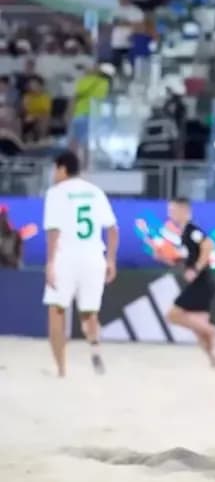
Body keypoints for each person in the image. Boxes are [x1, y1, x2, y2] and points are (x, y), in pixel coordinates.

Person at [42, 150, 118, 377]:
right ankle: (95, 349)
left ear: (62, 168)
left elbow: (53, 231)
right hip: (94, 257)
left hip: (66, 257)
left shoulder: (56, 193)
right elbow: (113, 230)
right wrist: (111, 260)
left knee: (57, 311)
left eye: (55, 169)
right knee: (89, 313)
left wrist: (50, 262)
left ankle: (61, 369)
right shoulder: (95, 192)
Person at [154, 197, 215, 368]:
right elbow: (188, 256)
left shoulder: (191, 230)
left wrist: (196, 269)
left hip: (201, 283)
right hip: (203, 282)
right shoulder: (185, 233)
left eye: (172, 210)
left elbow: (209, 245)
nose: (170, 214)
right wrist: (166, 257)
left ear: (183, 210)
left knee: (173, 315)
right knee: (199, 329)